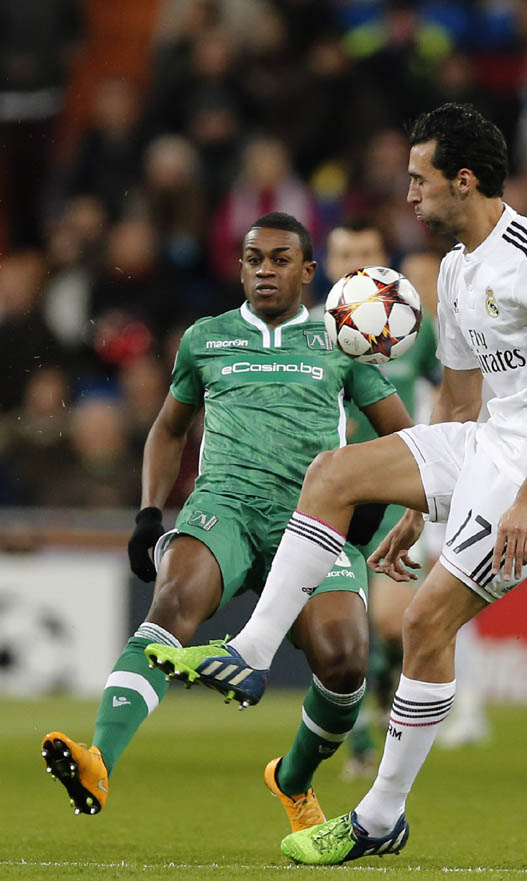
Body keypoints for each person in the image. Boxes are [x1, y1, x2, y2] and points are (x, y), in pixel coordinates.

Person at [163, 103, 527, 863]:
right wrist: (417, 499)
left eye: (419, 178)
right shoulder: (460, 270)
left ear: (461, 180)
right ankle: (252, 647)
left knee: (425, 624)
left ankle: (379, 814)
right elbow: (463, 405)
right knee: (335, 471)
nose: (408, 194)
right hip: (490, 442)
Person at [41, 212, 413, 832]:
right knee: (173, 601)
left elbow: (405, 438)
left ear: (309, 270)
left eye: (280, 259)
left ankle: (291, 780)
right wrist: (147, 514)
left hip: (315, 515)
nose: (265, 270)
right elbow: (167, 428)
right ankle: (99, 757)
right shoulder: (205, 338)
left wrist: (371, 493)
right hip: (226, 507)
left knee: (346, 659)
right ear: (239, 267)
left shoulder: (339, 340)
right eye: (253, 259)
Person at [323, 220, 441, 780]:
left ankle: (388, 705)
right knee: (355, 622)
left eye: (365, 252)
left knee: (393, 623)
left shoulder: (414, 326)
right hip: (334, 487)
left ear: (382, 260)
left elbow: (454, 392)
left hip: (395, 484)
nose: (354, 261)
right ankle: (363, 743)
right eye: (344, 252)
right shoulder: (308, 332)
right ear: (326, 262)